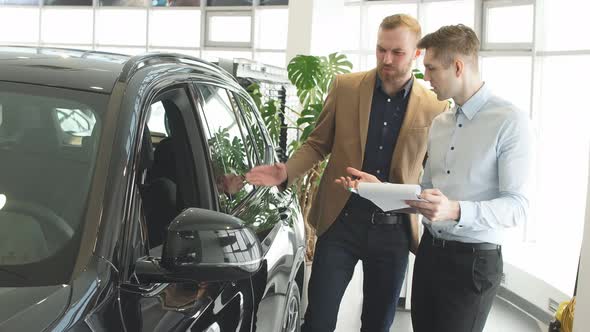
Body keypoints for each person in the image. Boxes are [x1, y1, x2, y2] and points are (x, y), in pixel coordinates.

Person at [246, 14, 447, 332]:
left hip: (393, 231)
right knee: (318, 321)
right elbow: (317, 143)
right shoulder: (346, 87)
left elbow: (435, 175)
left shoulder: (436, 106)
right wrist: (286, 171)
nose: (387, 59)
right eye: (381, 49)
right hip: (340, 223)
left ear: (417, 54)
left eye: (397, 52)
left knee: (377, 324)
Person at [337, 24, 534, 332]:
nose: (424, 77)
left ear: (458, 67)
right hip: (429, 254)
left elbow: (518, 206)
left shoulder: (510, 121)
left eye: (430, 68)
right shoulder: (440, 122)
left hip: (474, 264)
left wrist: (455, 210)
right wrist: (381, 191)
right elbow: (428, 193)